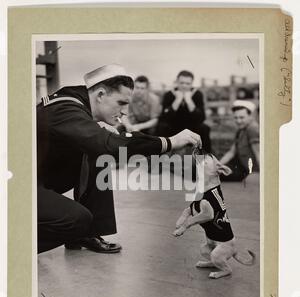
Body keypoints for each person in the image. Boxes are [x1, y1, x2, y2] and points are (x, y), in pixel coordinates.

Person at [37, 64, 200, 254]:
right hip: (17, 189)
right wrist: (168, 142)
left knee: (97, 152)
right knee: (76, 219)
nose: (124, 112)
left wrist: (98, 131)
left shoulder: (74, 104)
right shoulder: (65, 109)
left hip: (39, 177)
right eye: (121, 103)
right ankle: (12, 248)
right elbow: (110, 145)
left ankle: (86, 234)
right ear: (100, 95)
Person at [158, 70, 211, 153]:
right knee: (161, 126)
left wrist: (189, 101)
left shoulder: (197, 94)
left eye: (188, 83)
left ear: (192, 83)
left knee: (204, 128)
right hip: (174, 127)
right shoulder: (169, 94)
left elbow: (201, 118)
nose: (184, 86)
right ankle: (160, 157)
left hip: (191, 127)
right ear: (177, 82)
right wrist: (177, 100)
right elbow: (164, 118)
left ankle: (205, 159)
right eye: (182, 83)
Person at [219, 100, 260, 182]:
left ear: (250, 116)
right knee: (217, 172)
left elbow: (258, 152)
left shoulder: (253, 129)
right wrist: (218, 165)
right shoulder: (241, 130)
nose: (238, 121)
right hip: (241, 167)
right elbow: (231, 152)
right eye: (236, 118)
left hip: (251, 171)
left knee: (218, 175)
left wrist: (262, 174)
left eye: (242, 117)